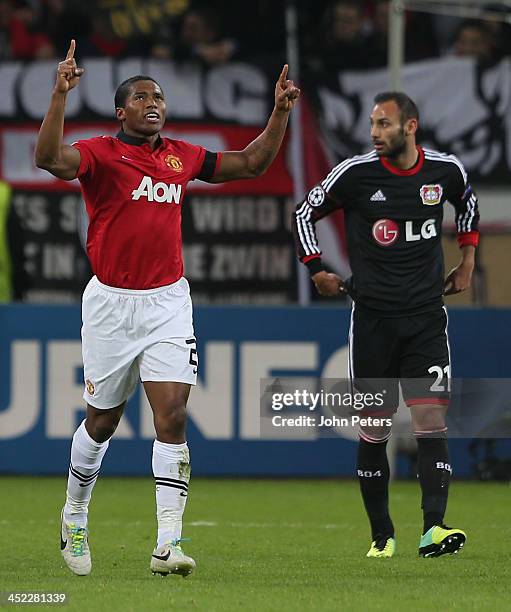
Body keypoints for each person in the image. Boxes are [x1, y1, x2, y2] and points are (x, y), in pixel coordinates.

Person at [35, 39, 299, 577]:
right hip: (111, 302)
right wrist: (59, 96)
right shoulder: (99, 154)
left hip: (167, 302)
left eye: (158, 96)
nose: (153, 102)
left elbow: (251, 163)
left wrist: (279, 113)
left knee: (172, 415)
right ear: (120, 110)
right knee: (103, 422)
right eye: (140, 96)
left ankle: (168, 545)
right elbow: (47, 160)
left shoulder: (181, 155)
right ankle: (75, 513)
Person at [292, 92, 479, 558]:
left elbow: (469, 205)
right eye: (372, 124)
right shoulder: (355, 174)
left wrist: (468, 260)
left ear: (410, 126)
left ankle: (433, 529)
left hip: (426, 319)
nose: (374, 133)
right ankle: (382, 535)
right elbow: (303, 214)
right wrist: (316, 268)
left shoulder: (445, 171)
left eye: (384, 124)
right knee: (374, 428)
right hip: (373, 320)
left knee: (431, 420)